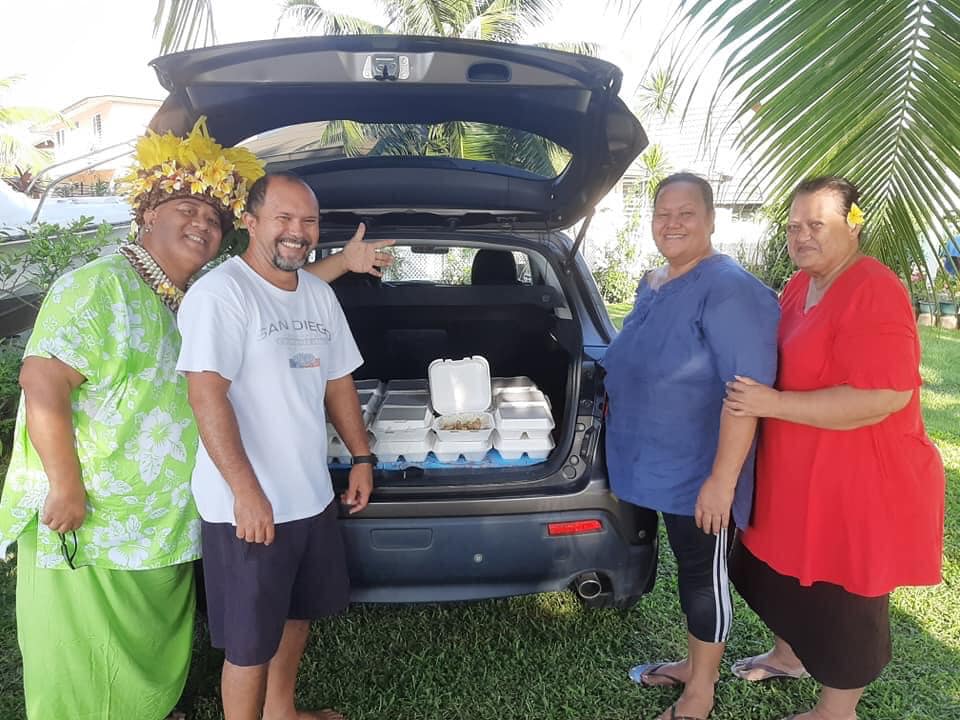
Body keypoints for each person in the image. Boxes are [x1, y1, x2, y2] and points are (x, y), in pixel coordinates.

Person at [0, 119, 390, 720]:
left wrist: (344, 261)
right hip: (95, 516)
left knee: (153, 646)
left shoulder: (182, 293)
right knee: (88, 654)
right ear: (147, 215)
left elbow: (279, 296)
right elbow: (42, 380)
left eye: (213, 217)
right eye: (187, 210)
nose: (203, 225)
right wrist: (66, 487)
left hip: (160, 517)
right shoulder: (101, 286)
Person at [724, 176, 945, 720]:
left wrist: (771, 405)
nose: (801, 236)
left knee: (845, 601)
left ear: (853, 224)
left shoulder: (874, 288)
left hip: (862, 485)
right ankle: (790, 655)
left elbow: (882, 397)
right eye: (794, 226)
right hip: (797, 479)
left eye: (816, 224)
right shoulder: (801, 284)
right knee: (765, 568)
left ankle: (835, 711)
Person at [177, 172, 373, 720]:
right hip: (246, 507)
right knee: (248, 644)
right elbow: (206, 397)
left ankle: (281, 713)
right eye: (283, 219)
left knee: (295, 616)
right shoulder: (221, 294)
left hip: (308, 496)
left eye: (308, 221)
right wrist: (246, 493)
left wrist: (361, 456)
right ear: (251, 222)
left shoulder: (316, 293)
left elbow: (338, 382)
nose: (297, 232)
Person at [601, 173, 780, 720]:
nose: (672, 223)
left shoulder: (729, 288)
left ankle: (700, 691)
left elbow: (745, 393)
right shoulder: (653, 281)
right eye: (663, 213)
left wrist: (721, 481)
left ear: (710, 219)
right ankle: (691, 662)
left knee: (704, 579)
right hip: (651, 463)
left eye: (686, 213)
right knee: (687, 571)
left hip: (698, 471)